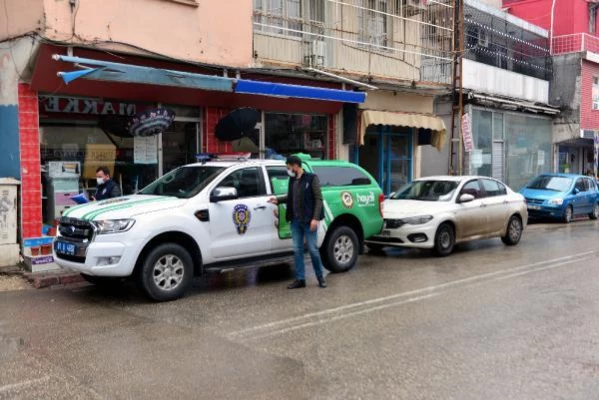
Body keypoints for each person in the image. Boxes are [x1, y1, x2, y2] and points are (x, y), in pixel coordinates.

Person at [268, 156, 327, 289]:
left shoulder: (312, 178)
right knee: (297, 250)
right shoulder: (292, 180)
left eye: (289, 167)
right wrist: (278, 199)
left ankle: (320, 277)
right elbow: (291, 196)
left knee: (312, 249)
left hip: (309, 221)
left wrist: (315, 218)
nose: (288, 170)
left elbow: (318, 199)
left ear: (295, 166)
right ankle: (300, 279)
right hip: (295, 221)